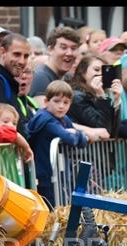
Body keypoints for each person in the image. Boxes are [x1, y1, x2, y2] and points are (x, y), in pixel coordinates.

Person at [26, 80, 88, 208]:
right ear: (46, 101)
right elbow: (69, 138)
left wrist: (77, 133)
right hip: (45, 173)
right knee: (51, 206)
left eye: (66, 102)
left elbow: (80, 141)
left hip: (61, 171)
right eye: (56, 101)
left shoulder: (63, 119)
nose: (61, 106)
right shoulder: (46, 120)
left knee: (63, 203)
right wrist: (77, 134)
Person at [67, 54, 122, 141]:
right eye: (96, 69)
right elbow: (103, 130)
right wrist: (101, 96)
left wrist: (116, 100)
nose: (100, 74)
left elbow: (114, 132)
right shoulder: (77, 97)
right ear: (83, 72)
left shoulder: (99, 96)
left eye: (103, 71)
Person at [28, 27, 80, 105]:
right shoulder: (40, 77)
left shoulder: (70, 77)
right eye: (63, 47)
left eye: (73, 48)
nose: (69, 53)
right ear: (50, 50)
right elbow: (42, 114)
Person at [14, 62, 40, 126]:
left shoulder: (32, 103)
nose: (24, 76)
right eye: (19, 71)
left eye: (27, 72)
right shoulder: (7, 100)